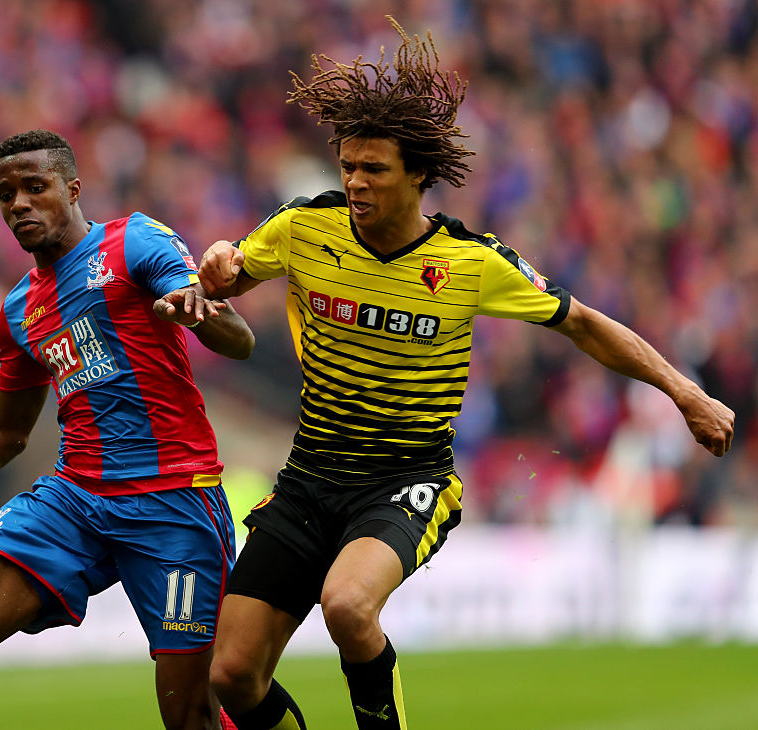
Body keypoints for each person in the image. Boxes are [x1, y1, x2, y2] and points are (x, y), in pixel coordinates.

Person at [197, 17, 736, 730]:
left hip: (403, 482)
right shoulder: (302, 228)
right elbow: (228, 274)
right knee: (231, 675)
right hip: (308, 478)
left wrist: (686, 394)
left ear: (418, 174)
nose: (355, 182)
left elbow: (583, 323)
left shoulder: (471, 262)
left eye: (374, 169)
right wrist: (217, 263)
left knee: (348, 607)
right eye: (348, 167)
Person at [0, 129, 253, 730]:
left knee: (191, 712)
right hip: (76, 497)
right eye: (6, 194)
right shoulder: (19, 309)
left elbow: (239, 341)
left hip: (173, 502)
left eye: (35, 187)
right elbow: (3, 433)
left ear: (73, 189)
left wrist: (194, 308)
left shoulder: (134, 241)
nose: (19, 204)